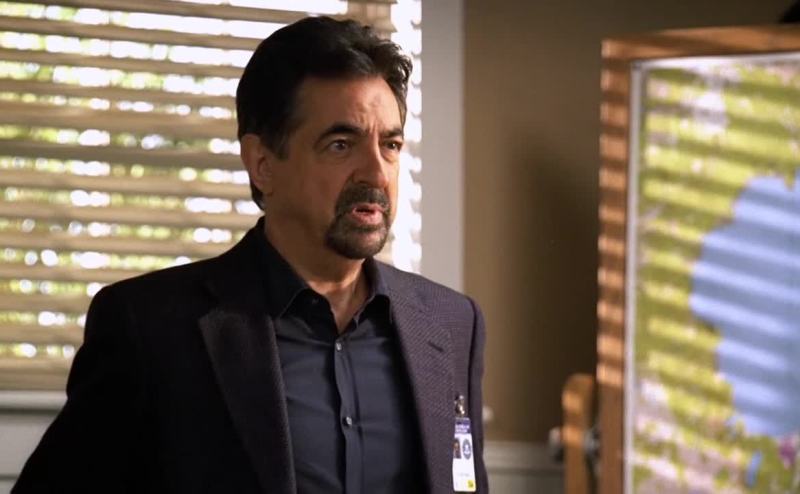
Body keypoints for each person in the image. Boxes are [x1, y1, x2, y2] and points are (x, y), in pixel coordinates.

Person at [13, 16, 487, 494]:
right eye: (341, 145)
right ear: (262, 164)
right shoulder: (149, 328)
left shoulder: (452, 324)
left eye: (390, 145)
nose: (377, 173)